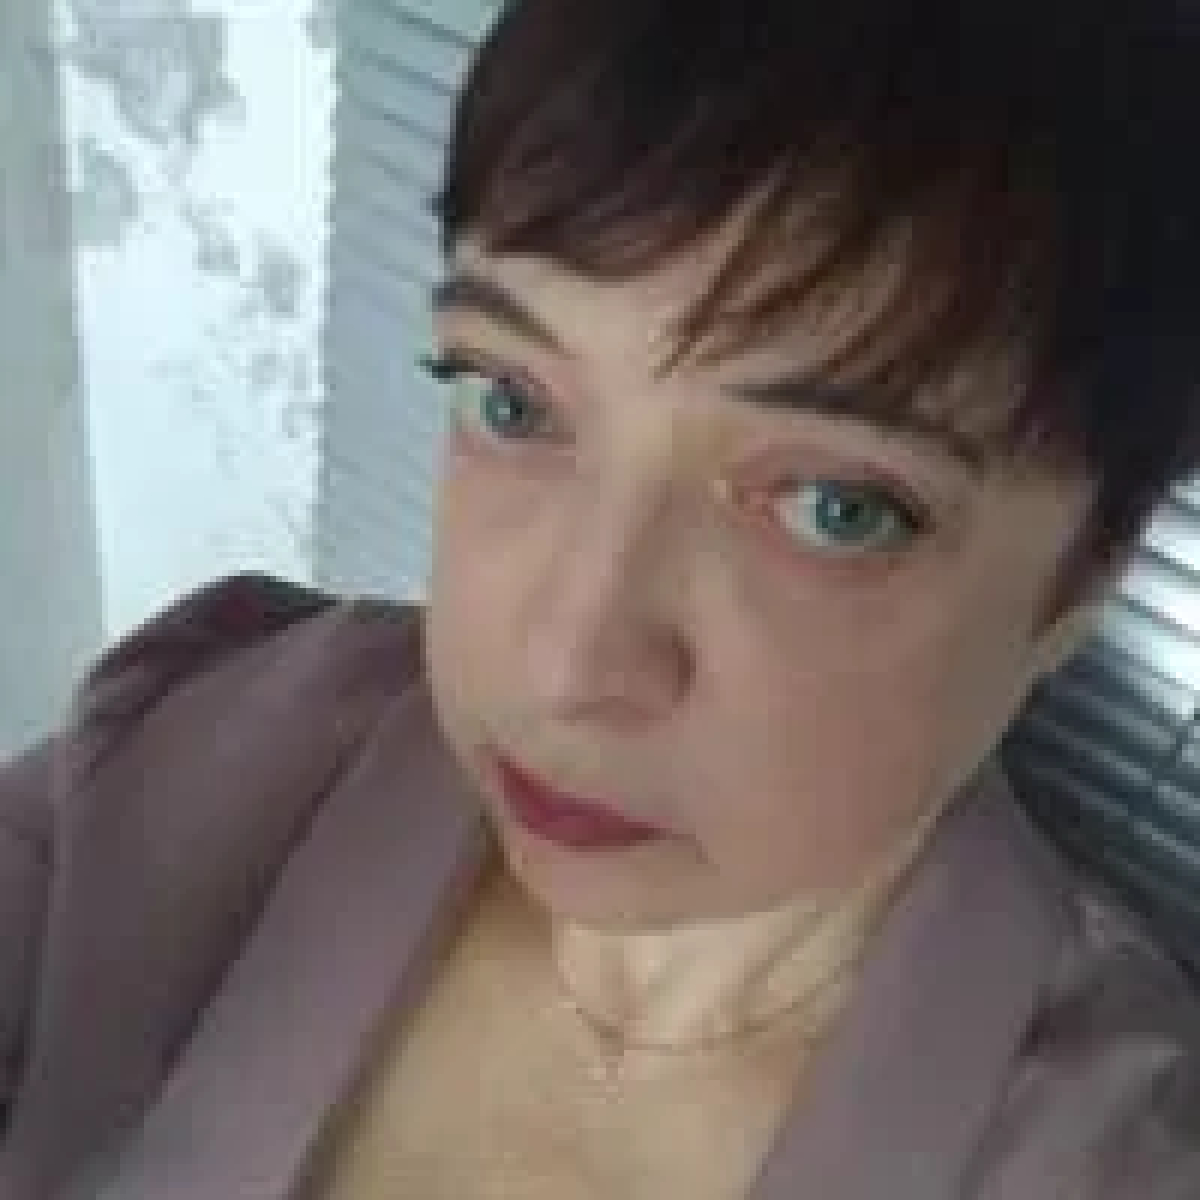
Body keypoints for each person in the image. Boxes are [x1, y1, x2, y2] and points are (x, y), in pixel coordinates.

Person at [3, 0, 1200, 1196]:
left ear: (1080, 582)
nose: (565, 666)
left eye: (837, 508)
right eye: (511, 401)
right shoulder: (232, 741)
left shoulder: (1112, 1156)